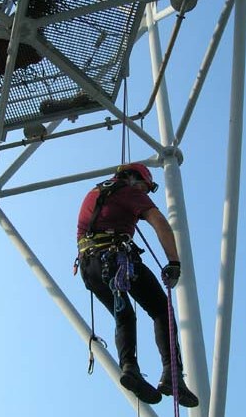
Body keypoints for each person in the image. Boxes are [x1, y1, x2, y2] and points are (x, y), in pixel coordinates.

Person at [76, 162, 199, 407]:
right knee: (161, 310)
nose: (145, 192)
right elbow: (158, 221)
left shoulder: (95, 192)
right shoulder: (129, 191)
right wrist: (174, 261)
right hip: (115, 258)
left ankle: (129, 368)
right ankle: (172, 374)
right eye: (145, 186)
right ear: (133, 178)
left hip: (90, 268)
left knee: (124, 316)